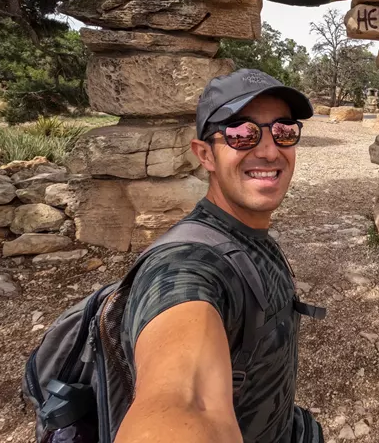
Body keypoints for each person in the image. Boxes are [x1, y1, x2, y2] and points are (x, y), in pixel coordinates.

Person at [115, 69, 321, 443]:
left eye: (284, 131)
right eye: (241, 134)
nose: (270, 150)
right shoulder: (186, 266)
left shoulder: (246, 232)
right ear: (205, 154)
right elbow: (183, 401)